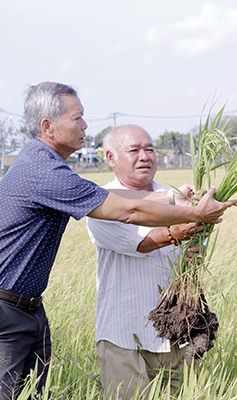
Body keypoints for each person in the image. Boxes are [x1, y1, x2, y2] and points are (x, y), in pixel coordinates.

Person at [0, 82, 237, 400]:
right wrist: (196, 214)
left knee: (35, 396)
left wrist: (176, 199)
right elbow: (128, 209)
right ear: (48, 126)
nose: (85, 125)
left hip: (28, 307)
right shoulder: (43, 172)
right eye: (77, 118)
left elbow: (121, 196)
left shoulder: (47, 166)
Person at [87, 125, 206, 399]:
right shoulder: (101, 203)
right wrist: (177, 231)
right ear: (111, 158)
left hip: (177, 331)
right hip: (124, 336)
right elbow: (141, 243)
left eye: (149, 149)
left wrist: (193, 253)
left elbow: (189, 255)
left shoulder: (175, 197)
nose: (144, 156)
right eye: (134, 150)